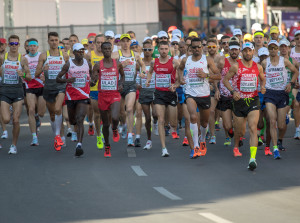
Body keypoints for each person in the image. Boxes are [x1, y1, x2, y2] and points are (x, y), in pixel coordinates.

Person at [223, 42, 266, 170]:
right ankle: (236, 144)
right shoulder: (236, 66)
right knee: (240, 131)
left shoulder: (258, 67)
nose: (247, 53)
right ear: (242, 52)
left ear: (253, 52)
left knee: (253, 128)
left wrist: (262, 87)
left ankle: (252, 159)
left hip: (253, 100)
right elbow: (225, 80)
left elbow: (263, 78)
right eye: (245, 51)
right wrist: (233, 91)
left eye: (250, 50)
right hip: (239, 101)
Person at [178, 37, 221, 159]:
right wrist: (180, 79)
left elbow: (218, 75)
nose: (196, 49)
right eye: (194, 47)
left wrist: (206, 75)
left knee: (204, 122)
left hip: (204, 94)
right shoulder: (186, 60)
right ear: (190, 48)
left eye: (199, 47)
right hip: (190, 93)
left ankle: (202, 140)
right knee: (193, 117)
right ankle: (196, 146)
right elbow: (180, 69)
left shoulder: (207, 60)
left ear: (202, 47)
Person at [261, 40, 299, 159]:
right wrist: (262, 85)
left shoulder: (284, 61)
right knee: (272, 121)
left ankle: (278, 139)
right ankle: (275, 148)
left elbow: (295, 72)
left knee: (281, 125)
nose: (273, 50)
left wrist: (291, 84)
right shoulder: (264, 62)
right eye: (271, 48)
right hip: (270, 93)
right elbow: (259, 74)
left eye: (274, 48)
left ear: (277, 49)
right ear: (268, 49)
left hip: (282, 93)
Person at [56, 43, 92, 157]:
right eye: (79, 51)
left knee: (80, 119)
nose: (81, 52)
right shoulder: (68, 64)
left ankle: (79, 145)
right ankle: (74, 129)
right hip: (71, 97)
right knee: (72, 121)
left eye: (82, 50)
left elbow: (90, 77)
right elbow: (58, 78)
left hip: (84, 96)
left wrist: (92, 82)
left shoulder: (87, 63)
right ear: (74, 52)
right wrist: (68, 80)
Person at [35, 32, 69, 151]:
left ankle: (58, 136)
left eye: (56, 40)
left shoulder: (64, 55)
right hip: (49, 88)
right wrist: (43, 69)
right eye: (52, 40)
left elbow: (69, 71)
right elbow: (36, 74)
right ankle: (59, 135)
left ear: (58, 41)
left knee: (58, 109)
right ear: (48, 42)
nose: (54, 42)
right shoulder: (44, 56)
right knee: (53, 115)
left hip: (61, 87)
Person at [146, 41, 180, 157]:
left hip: (170, 94)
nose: (164, 51)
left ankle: (171, 126)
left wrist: (175, 85)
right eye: (162, 49)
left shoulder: (174, 62)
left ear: (169, 49)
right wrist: (148, 80)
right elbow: (150, 72)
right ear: (158, 50)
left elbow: (180, 79)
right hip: (159, 93)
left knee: (173, 123)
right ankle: (164, 148)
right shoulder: (154, 62)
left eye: (166, 49)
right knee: (160, 120)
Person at [91, 42, 125, 158]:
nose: (106, 51)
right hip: (102, 96)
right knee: (105, 124)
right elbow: (93, 79)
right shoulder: (97, 65)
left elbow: (123, 76)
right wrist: (93, 81)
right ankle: (107, 146)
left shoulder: (117, 63)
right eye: (104, 49)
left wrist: (120, 83)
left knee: (115, 117)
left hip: (114, 94)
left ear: (111, 50)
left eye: (108, 49)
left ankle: (115, 128)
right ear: (101, 50)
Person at [0, 34, 31, 154]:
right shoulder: (3, 57)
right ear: (8, 45)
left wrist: (22, 75)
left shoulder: (22, 59)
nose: (13, 46)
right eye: (11, 44)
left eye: (16, 43)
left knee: (16, 121)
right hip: (4, 91)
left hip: (17, 90)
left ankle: (13, 145)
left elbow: (29, 77)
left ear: (19, 45)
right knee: (6, 119)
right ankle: (9, 112)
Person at [114, 34, 145, 146]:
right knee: (120, 112)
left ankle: (130, 136)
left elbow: (143, 65)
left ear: (130, 42)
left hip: (131, 85)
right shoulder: (116, 54)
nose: (126, 43)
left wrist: (143, 73)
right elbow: (110, 67)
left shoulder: (135, 55)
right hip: (119, 85)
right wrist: (121, 65)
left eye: (128, 41)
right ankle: (123, 124)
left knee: (129, 109)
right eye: (124, 41)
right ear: (120, 43)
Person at [216, 38, 241, 150]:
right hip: (225, 96)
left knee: (237, 122)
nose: (234, 52)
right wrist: (216, 90)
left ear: (239, 50)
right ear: (229, 50)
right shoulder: (222, 61)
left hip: (238, 97)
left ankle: (237, 138)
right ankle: (232, 134)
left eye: (236, 50)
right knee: (227, 125)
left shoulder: (243, 63)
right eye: (232, 50)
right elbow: (216, 75)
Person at [24, 38, 46, 146]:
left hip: (41, 86)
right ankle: (34, 137)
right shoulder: (24, 58)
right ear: (27, 47)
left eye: (34, 46)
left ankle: (38, 117)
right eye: (30, 46)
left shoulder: (41, 56)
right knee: (31, 110)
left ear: (37, 47)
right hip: (30, 86)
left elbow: (48, 69)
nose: (32, 48)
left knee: (41, 113)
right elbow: (22, 72)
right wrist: (23, 75)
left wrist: (44, 76)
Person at [136, 41, 158, 149]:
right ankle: (149, 140)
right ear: (142, 50)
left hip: (154, 90)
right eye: (145, 49)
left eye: (149, 49)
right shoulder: (139, 63)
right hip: (144, 91)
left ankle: (156, 122)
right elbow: (135, 76)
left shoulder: (155, 62)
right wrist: (137, 84)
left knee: (155, 114)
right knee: (148, 118)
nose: (147, 52)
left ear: (152, 50)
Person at [85, 34, 105, 149]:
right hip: (94, 88)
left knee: (105, 113)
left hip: (106, 88)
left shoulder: (109, 55)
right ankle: (98, 135)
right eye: (98, 42)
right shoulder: (89, 55)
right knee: (97, 113)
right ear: (95, 43)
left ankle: (102, 130)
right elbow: (86, 71)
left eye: (102, 42)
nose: (100, 45)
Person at [290, 30, 300, 139]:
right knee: (296, 104)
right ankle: (297, 130)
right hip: (294, 81)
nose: (299, 40)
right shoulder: (291, 51)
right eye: (297, 38)